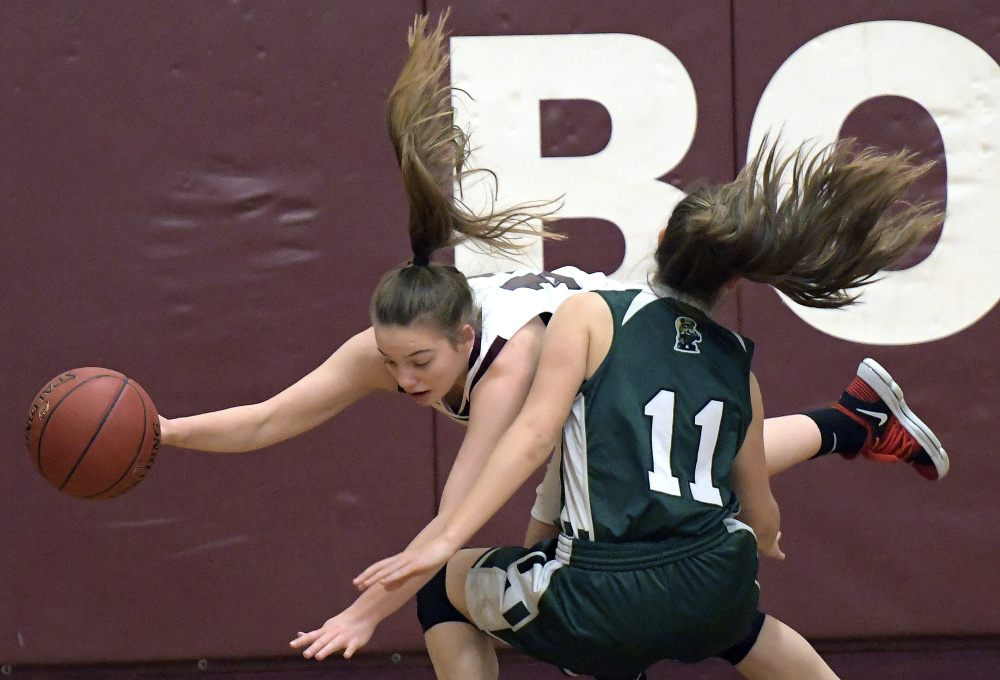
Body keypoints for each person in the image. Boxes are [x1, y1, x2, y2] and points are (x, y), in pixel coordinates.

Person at [156, 12, 946, 670]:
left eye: (421, 365)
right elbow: (267, 418)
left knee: (476, 576)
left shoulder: (520, 364)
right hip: (667, 457)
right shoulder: (405, 337)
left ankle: (852, 423)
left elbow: (464, 509)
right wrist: (161, 433)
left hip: (603, 379)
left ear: (465, 336)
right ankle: (853, 420)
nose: (403, 380)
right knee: (685, 477)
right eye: (389, 362)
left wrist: (368, 610)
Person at [341, 120, 944, 679]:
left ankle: (852, 425)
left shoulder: (588, 314)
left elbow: (533, 440)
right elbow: (761, 515)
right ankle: (852, 424)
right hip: (716, 586)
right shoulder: (739, 362)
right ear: (734, 280)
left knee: (441, 589)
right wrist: (762, 540)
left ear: (658, 241)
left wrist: (448, 537)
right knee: (734, 621)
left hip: (603, 603)